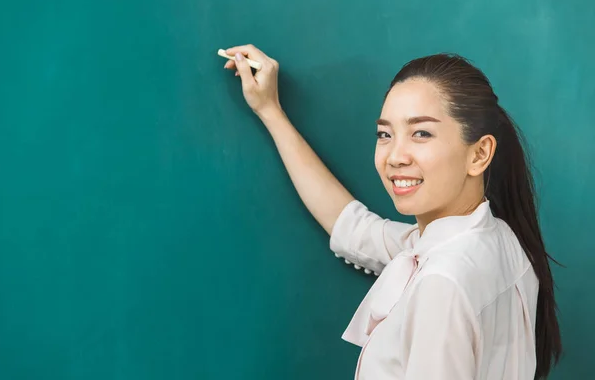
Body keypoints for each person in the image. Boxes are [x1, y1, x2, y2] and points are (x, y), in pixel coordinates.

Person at [221, 44, 562, 380]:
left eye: (421, 133)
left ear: (479, 154)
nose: (395, 156)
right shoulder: (497, 240)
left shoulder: (441, 284)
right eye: (385, 134)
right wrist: (270, 110)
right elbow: (355, 228)